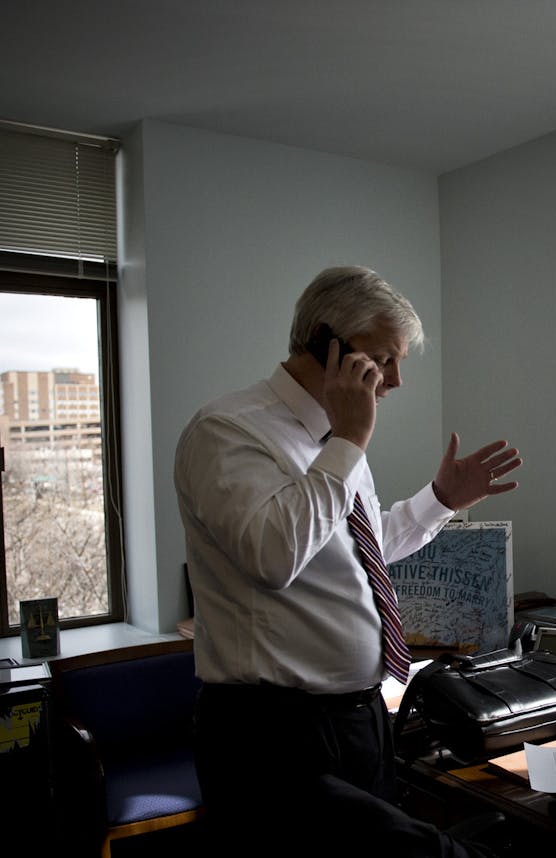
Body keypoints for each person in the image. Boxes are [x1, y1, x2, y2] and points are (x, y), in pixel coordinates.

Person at [174, 265, 521, 849]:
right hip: (271, 735)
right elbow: (275, 554)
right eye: (384, 359)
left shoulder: (337, 442)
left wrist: (440, 502)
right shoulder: (228, 431)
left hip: (358, 721)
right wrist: (348, 442)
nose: (395, 381)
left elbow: (359, 551)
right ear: (327, 346)